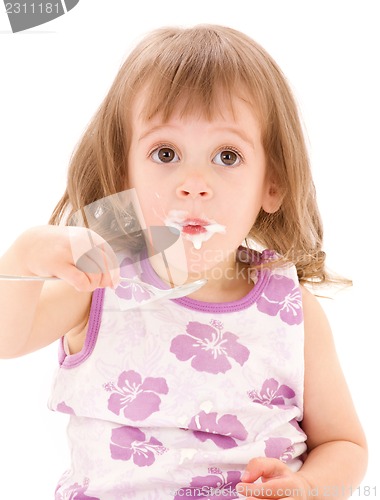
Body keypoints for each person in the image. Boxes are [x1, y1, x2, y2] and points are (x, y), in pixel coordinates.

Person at [0, 24, 367, 499]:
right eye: (166, 152)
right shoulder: (100, 277)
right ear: (122, 171)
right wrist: (24, 257)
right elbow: (7, 339)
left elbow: (344, 443)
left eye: (227, 156)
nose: (194, 183)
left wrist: (307, 485)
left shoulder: (291, 310)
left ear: (271, 183)